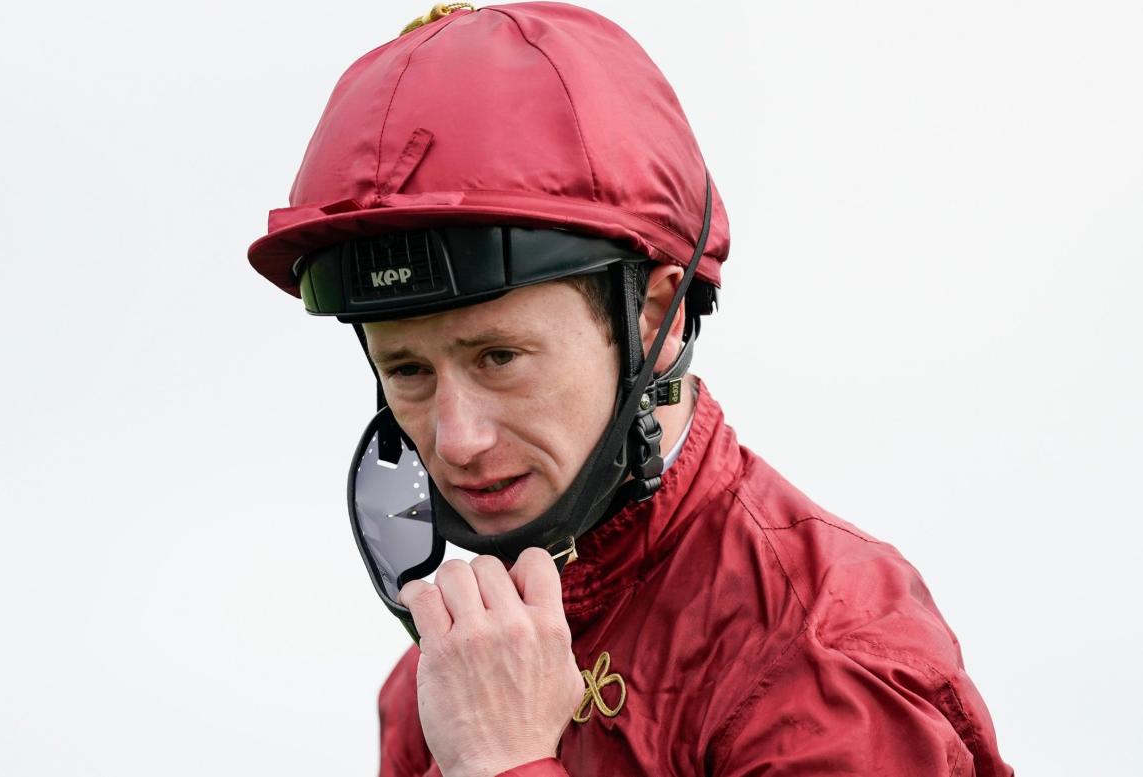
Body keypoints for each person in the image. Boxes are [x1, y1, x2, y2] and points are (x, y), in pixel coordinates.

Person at [247, 3, 1014, 775]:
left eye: (500, 357)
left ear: (654, 316)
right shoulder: (448, 668)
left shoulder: (824, 654)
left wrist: (507, 761)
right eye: (407, 370)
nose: (455, 439)